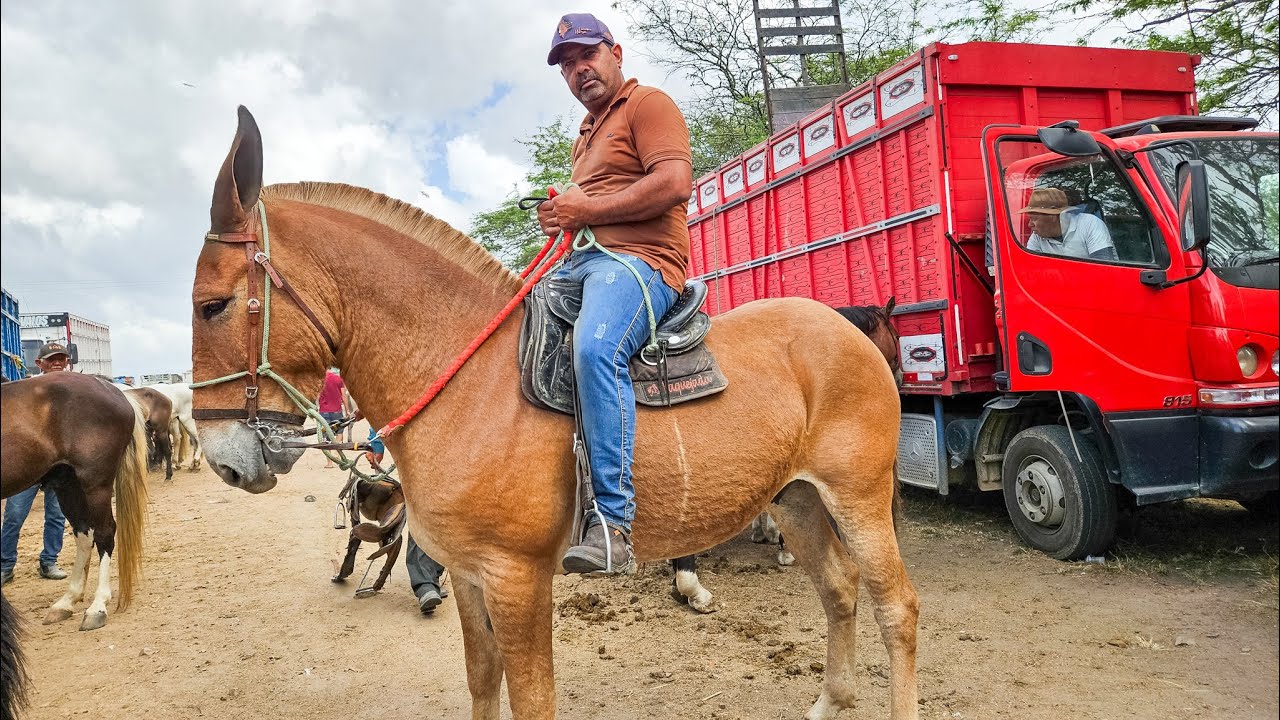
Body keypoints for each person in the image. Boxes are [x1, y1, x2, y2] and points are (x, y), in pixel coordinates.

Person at [537, 13, 693, 575]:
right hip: (584, 262)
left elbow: (674, 183)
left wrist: (587, 210)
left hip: (642, 262)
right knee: (511, 329)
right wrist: (561, 214)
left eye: (587, 55)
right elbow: (588, 207)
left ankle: (611, 523)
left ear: (616, 53)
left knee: (594, 348)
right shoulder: (585, 135)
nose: (579, 70)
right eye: (567, 65)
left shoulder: (647, 104)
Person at [359, 424, 448, 615]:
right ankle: (426, 584)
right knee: (422, 509)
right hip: (420, 451)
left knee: (446, 515)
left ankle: (434, 574)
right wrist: (376, 443)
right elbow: (385, 407)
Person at [1, 342, 71, 585]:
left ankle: (49, 561)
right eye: (51, 359)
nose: (57, 363)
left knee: (56, 516)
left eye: (61, 358)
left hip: (59, 464)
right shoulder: (26, 390)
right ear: (39, 363)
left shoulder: (76, 392)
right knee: (14, 515)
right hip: (29, 463)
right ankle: (5, 565)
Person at [1020, 187, 1117, 261]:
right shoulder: (1037, 236)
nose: (1029, 225)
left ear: (1052, 216)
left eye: (1034, 219)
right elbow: (1030, 268)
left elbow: (1104, 267)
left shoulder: (1090, 224)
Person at [317, 368, 349, 468]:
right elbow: (344, 396)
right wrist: (347, 410)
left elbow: (317, 395)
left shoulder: (320, 380)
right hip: (337, 410)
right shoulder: (338, 379)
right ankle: (336, 452)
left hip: (324, 411)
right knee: (339, 432)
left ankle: (329, 463)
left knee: (326, 437)